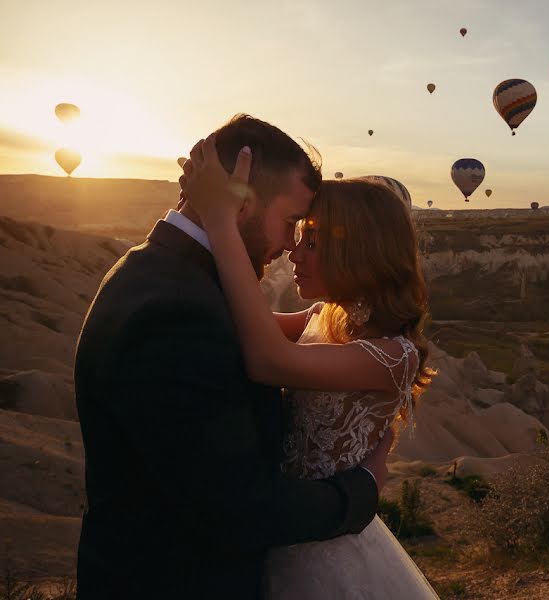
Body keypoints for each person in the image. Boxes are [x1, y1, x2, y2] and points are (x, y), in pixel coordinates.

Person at [74, 115, 390, 600]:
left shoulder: (155, 270)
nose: (291, 244)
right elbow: (237, 506)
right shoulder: (176, 309)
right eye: (290, 223)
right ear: (240, 204)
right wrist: (362, 489)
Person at [181, 134, 439, 599]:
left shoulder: (392, 356)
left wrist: (219, 222)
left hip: (327, 550)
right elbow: (241, 318)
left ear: (359, 249)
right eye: (298, 234)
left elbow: (265, 359)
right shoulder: (325, 316)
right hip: (281, 525)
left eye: (313, 241)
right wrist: (196, 213)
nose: (294, 253)